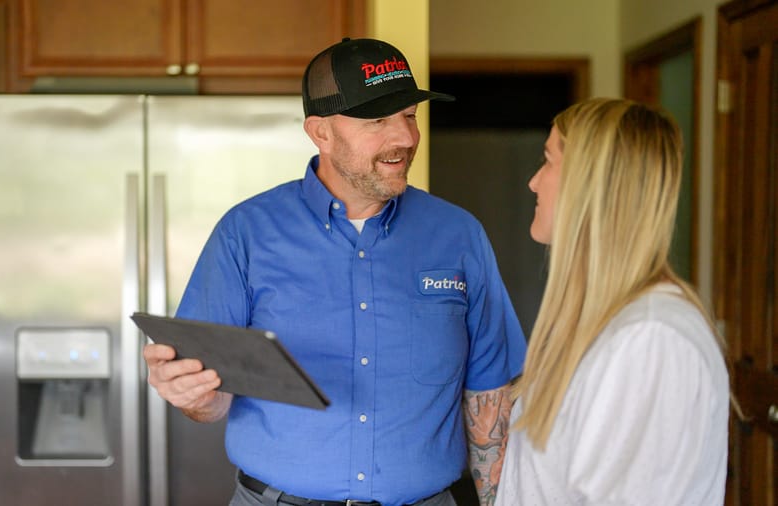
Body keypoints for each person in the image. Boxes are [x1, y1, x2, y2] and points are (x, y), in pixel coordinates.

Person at [143, 37, 526, 506]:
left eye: (409, 115)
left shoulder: (460, 236)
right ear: (320, 133)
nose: (404, 138)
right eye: (378, 121)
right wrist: (193, 396)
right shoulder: (245, 233)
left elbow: (490, 395)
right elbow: (213, 397)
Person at [495, 98, 730, 505]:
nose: (534, 182)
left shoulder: (651, 340)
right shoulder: (598, 325)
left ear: (590, 182)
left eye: (548, 161)